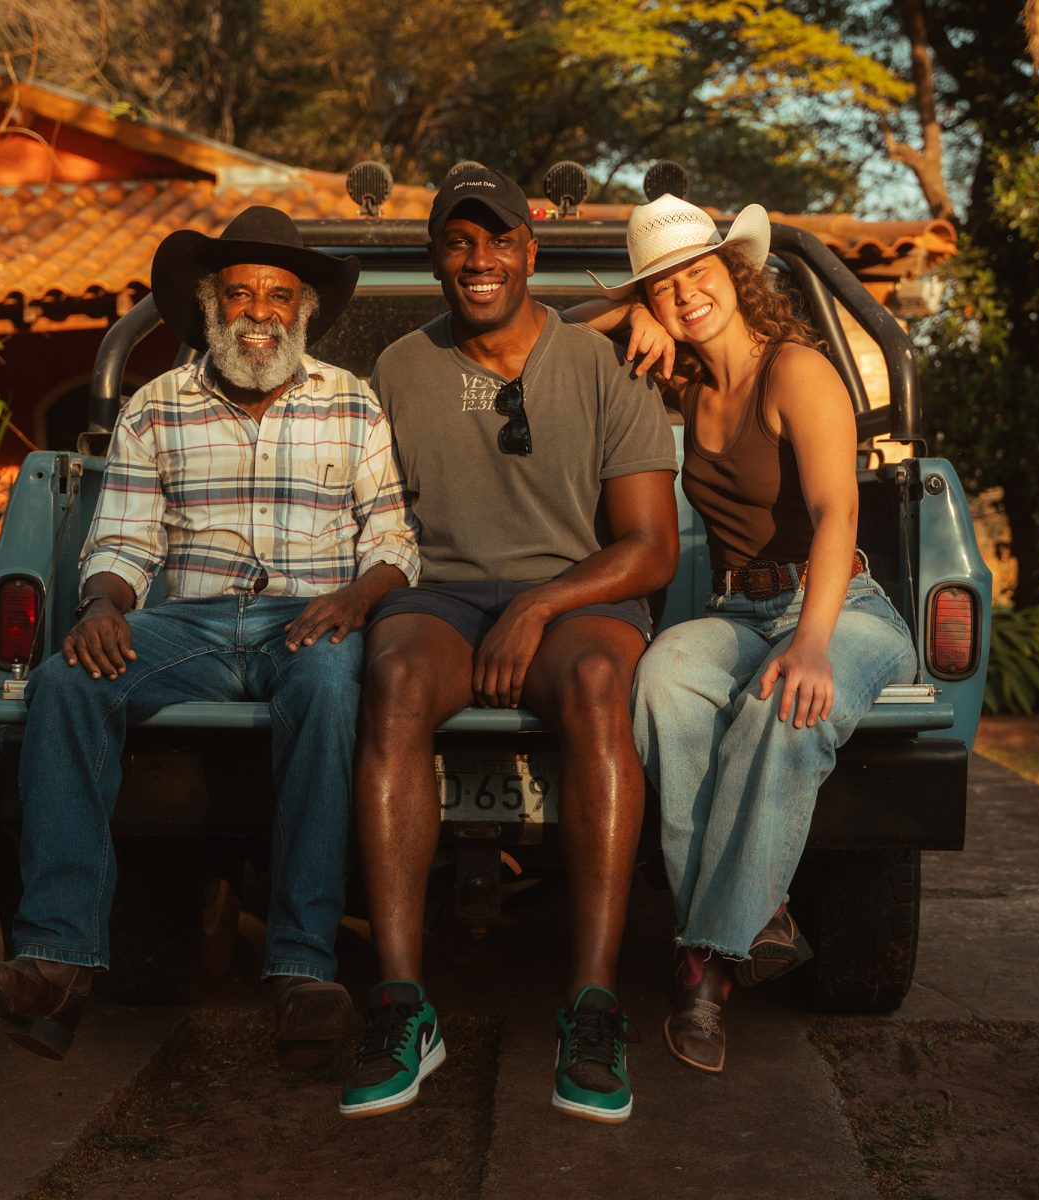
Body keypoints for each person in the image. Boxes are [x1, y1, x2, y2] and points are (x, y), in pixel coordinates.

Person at [0, 207, 418, 1068]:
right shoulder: (157, 406)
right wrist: (104, 606)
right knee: (65, 684)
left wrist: (355, 597)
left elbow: (391, 540)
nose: (257, 311)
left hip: (310, 619)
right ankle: (55, 964)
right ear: (209, 308)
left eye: (277, 294)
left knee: (331, 685)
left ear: (302, 308)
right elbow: (122, 541)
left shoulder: (352, 401)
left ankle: (304, 969)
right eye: (238, 293)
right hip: (187, 621)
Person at [339, 167, 679, 1124]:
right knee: (395, 676)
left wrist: (539, 606)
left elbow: (651, 547)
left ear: (531, 250)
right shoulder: (400, 368)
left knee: (604, 681)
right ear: (436, 256)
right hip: (440, 595)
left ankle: (594, 1003)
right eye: (457, 241)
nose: (477, 259)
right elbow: (370, 511)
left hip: (577, 598)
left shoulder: (610, 364)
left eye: (497, 240)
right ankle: (403, 1003)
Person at [593, 194, 918, 1074]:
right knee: (661, 679)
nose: (685, 295)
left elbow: (835, 509)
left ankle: (702, 969)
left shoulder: (796, 370)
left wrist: (810, 644)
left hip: (840, 607)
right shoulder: (684, 380)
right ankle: (758, 918)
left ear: (735, 273)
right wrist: (626, 310)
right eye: (665, 287)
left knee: (785, 711)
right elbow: (550, 348)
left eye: (697, 273)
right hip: (741, 611)